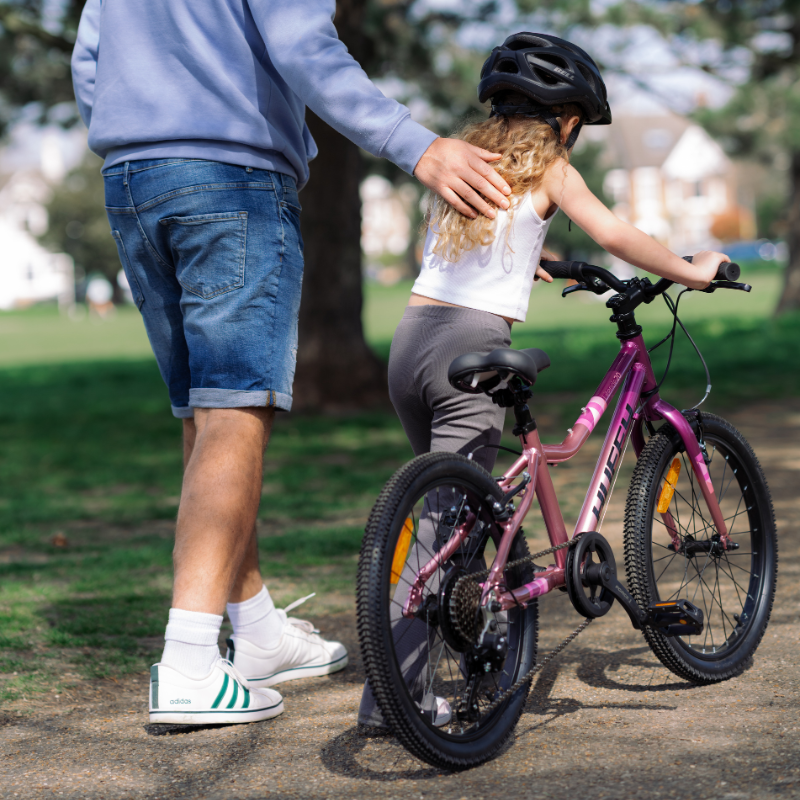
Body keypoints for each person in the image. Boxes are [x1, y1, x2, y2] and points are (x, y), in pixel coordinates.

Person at [71, 0, 516, 725]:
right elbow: (303, 43)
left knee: (204, 413)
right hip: (230, 179)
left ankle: (254, 631)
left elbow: (90, 56)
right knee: (234, 412)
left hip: (133, 180)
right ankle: (187, 665)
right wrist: (417, 145)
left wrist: (144, 138)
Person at [357, 31, 730, 729]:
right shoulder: (552, 169)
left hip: (411, 345)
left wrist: (531, 255)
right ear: (568, 119)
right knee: (444, 529)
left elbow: (475, 247)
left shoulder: (469, 161)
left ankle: (482, 640)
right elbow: (614, 235)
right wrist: (691, 270)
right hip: (470, 343)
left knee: (455, 518)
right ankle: (395, 701)